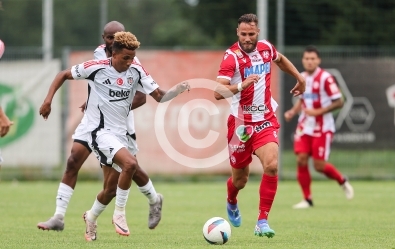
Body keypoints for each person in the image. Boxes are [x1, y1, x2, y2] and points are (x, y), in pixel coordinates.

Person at [39, 31, 190, 241]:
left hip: (120, 134)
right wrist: (48, 101)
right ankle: (119, 214)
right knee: (130, 164)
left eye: (132, 58)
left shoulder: (136, 70)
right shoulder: (96, 67)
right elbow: (63, 74)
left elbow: (158, 96)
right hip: (98, 132)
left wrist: (177, 90)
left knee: (110, 189)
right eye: (125, 58)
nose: (130, 62)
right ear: (114, 53)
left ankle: (91, 217)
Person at [214, 13, 305, 238]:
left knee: (272, 165)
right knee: (240, 180)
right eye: (243, 34)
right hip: (240, 125)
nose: (247, 38)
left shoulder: (265, 48)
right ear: (237, 33)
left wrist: (299, 78)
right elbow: (218, 92)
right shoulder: (230, 57)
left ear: (258, 33)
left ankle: (262, 221)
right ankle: (232, 200)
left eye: (251, 34)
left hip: (265, 119)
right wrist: (241, 85)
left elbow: (280, 59)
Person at [284, 45, 354, 209]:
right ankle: (307, 199)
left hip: (322, 127)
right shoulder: (301, 77)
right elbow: (302, 100)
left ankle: (342, 180)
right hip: (304, 125)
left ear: (318, 60)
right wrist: (293, 112)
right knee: (301, 159)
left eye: (312, 59)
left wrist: (318, 111)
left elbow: (339, 101)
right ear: (303, 60)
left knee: (319, 166)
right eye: (306, 59)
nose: (309, 62)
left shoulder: (326, 78)